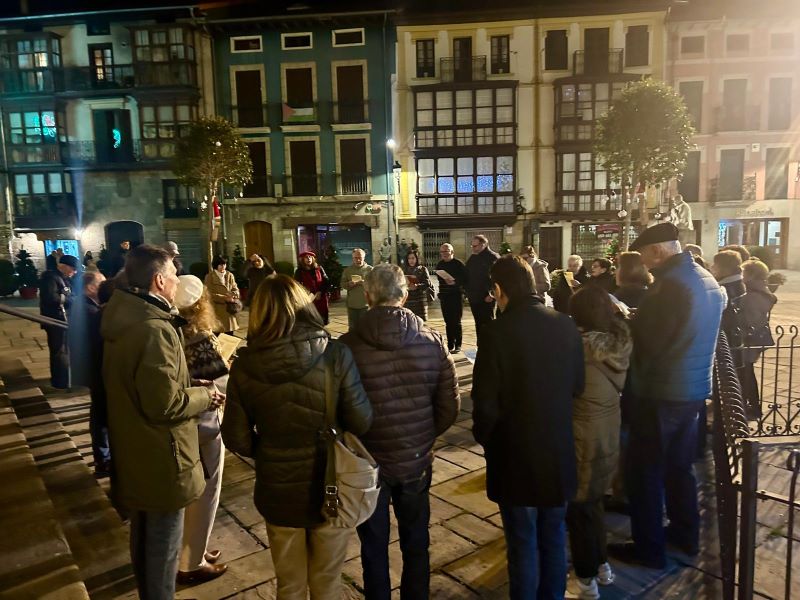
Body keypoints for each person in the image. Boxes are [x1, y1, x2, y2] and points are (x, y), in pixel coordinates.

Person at [222, 275, 372, 600]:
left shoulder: (245, 365)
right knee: (327, 582)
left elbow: (236, 438)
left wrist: (270, 449)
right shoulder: (336, 355)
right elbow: (361, 420)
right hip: (330, 484)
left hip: (277, 488)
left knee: (289, 585)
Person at [101, 244, 224, 600]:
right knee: (162, 548)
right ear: (159, 281)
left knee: (146, 539)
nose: (176, 281)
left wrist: (188, 384)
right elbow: (165, 404)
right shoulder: (153, 329)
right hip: (161, 453)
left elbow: (153, 385)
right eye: (172, 275)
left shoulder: (127, 315)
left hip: (138, 445)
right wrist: (205, 395)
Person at [340, 264, 459, 600]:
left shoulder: (347, 345)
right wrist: (423, 436)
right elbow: (450, 405)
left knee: (373, 545)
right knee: (416, 540)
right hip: (415, 460)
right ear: (405, 294)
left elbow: (338, 408)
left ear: (367, 296)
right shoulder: (431, 340)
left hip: (368, 463)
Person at [609, 223, 724, 569]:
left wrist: (624, 321)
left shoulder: (670, 286)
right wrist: (635, 314)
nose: (643, 263)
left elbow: (653, 342)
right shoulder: (702, 276)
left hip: (663, 390)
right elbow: (677, 325)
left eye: (644, 255)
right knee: (678, 468)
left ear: (657, 251)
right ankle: (685, 534)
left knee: (644, 473)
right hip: (691, 388)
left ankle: (649, 549)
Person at [472, 256, 584, 599]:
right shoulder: (565, 323)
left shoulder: (496, 333)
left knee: (522, 542)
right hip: (557, 449)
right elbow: (578, 385)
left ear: (500, 289)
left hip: (514, 453)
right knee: (553, 536)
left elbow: (485, 402)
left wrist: (485, 438)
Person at [565, 286, 632, 599]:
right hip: (607, 430)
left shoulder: (578, 347)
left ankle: (586, 579)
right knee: (593, 504)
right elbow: (623, 321)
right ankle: (602, 564)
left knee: (579, 509)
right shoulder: (620, 342)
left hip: (582, 434)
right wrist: (617, 311)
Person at [173, 275, 229, 584]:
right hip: (204, 424)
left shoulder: (170, 329)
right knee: (206, 494)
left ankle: (195, 548)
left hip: (183, 424)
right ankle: (191, 563)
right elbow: (218, 382)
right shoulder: (198, 336)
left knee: (191, 493)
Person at [68, 270, 110, 475]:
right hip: (97, 371)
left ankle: (103, 457)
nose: (104, 285)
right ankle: (103, 459)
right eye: (101, 283)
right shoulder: (89, 310)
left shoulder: (86, 306)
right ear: (91, 287)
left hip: (92, 370)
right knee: (101, 417)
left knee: (99, 414)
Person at [739, 259, 778, 419]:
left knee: (746, 372)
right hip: (756, 337)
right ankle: (751, 405)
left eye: (744, 272)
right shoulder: (760, 291)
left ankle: (753, 407)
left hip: (751, 338)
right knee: (746, 371)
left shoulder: (753, 295)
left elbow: (750, 319)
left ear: (751, 274)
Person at [40, 254, 78, 390]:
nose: (74, 272)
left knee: (63, 350)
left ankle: (64, 379)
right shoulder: (50, 278)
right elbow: (51, 298)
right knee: (59, 352)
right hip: (55, 320)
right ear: (65, 267)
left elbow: (71, 293)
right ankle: (60, 382)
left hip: (63, 319)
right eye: (73, 269)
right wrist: (70, 300)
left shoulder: (63, 278)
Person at [712, 250, 747, 367]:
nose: (712, 267)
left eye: (715, 265)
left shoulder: (726, 288)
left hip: (728, 340)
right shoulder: (738, 283)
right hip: (735, 338)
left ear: (724, 269)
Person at [465, 234, 499, 337]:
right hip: (474, 296)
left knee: (488, 323)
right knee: (478, 323)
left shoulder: (493, 257)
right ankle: (480, 346)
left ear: (483, 244)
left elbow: (498, 278)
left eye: (475, 246)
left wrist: (492, 294)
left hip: (486, 297)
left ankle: (490, 348)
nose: (473, 248)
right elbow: (466, 273)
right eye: (472, 246)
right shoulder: (473, 257)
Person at [435, 243, 467, 353]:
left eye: (446, 251)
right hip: (445, 296)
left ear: (452, 252)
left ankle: (458, 345)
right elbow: (439, 279)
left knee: (456, 321)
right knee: (448, 322)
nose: (444, 253)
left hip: (456, 296)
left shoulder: (459, 264)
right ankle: (450, 344)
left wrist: (455, 282)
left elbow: (465, 279)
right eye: (442, 252)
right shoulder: (439, 265)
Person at [204, 255, 240, 335]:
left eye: (224, 264)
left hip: (229, 309)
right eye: (221, 264)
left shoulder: (229, 275)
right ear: (216, 265)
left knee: (230, 336)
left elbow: (235, 288)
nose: (223, 266)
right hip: (217, 310)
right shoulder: (210, 277)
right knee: (218, 335)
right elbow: (208, 294)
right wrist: (223, 298)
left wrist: (234, 294)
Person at [294, 251, 330, 325]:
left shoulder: (319, 269)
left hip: (321, 297)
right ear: (302, 260)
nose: (308, 259)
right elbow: (297, 285)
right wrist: (308, 294)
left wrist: (320, 292)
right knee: (310, 318)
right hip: (307, 298)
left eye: (310, 257)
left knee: (322, 317)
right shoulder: (299, 271)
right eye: (306, 257)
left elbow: (326, 282)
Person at [341, 248, 373, 330]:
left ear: (364, 257)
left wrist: (365, 283)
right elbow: (342, 284)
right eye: (355, 258)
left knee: (365, 327)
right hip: (352, 304)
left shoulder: (370, 270)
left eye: (360, 257)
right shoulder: (348, 270)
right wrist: (349, 284)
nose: (358, 260)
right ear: (352, 258)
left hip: (366, 304)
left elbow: (376, 285)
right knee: (352, 327)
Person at [403, 250, 433, 321]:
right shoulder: (404, 270)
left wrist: (417, 286)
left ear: (416, 259)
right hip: (409, 300)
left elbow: (427, 284)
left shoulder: (422, 269)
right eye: (409, 258)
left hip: (419, 300)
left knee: (420, 322)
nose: (411, 260)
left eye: (413, 258)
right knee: (410, 322)